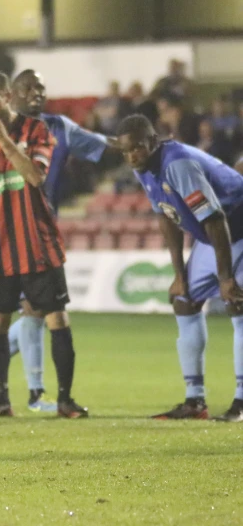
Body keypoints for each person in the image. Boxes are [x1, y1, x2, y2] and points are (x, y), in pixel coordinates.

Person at [0, 69, 118, 413]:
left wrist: (5, 141)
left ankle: (63, 399)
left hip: (37, 240)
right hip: (1, 245)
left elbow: (35, 176)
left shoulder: (40, 130)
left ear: (7, 97)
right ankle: (4, 401)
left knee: (56, 318)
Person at [117, 114, 243, 421]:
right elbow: (166, 215)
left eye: (138, 148)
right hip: (214, 236)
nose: (133, 155)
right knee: (184, 301)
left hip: (236, 228)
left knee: (237, 303)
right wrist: (178, 275)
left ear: (153, 141)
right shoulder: (143, 167)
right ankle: (194, 401)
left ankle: (241, 401)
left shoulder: (177, 164)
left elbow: (215, 219)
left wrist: (225, 278)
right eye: (127, 150)